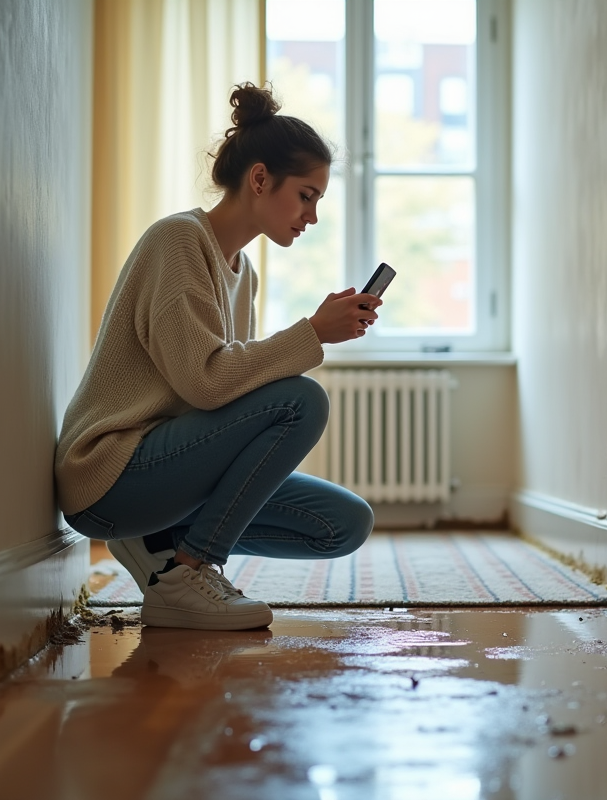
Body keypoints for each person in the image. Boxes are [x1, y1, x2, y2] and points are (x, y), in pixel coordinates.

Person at [54, 83, 381, 631]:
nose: (312, 216)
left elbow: (229, 391)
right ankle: (187, 571)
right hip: (110, 475)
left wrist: (314, 335)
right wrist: (312, 335)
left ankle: (160, 540)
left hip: (169, 469)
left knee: (345, 523)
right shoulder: (178, 241)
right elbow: (205, 384)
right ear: (260, 179)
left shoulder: (241, 272)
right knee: (303, 401)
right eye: (306, 195)